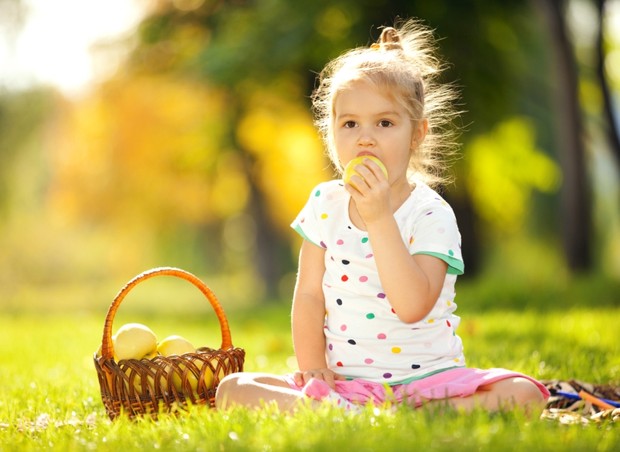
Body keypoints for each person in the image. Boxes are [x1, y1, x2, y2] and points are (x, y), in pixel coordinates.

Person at [215, 19, 549, 414]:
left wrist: (378, 219)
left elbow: (412, 305)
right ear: (331, 134)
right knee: (233, 389)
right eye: (350, 124)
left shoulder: (430, 213)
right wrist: (314, 370)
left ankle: (393, 415)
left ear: (417, 134)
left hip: (428, 384)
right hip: (346, 384)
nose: (365, 137)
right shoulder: (326, 202)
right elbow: (308, 294)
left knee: (523, 393)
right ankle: (342, 411)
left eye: (385, 123)